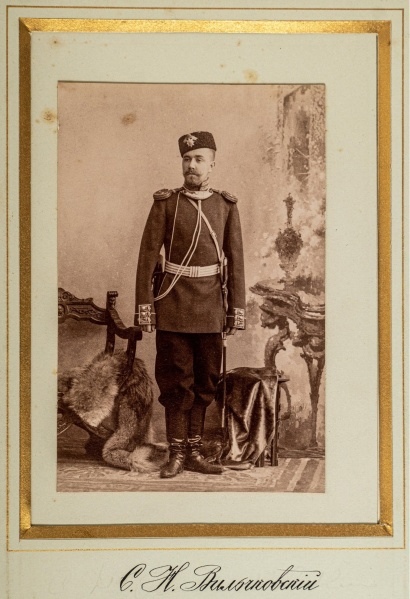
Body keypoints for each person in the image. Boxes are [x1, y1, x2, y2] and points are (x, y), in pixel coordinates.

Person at [135, 131, 246, 478]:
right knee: (175, 382)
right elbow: (147, 257)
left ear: (212, 164)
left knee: (205, 382)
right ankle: (176, 454)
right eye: (187, 159)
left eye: (199, 159)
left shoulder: (226, 206)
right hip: (173, 304)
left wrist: (235, 311)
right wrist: (145, 308)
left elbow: (236, 261)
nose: (191, 165)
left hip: (211, 307)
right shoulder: (166, 203)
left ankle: (195, 453)